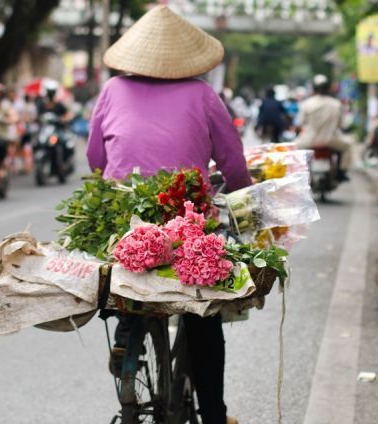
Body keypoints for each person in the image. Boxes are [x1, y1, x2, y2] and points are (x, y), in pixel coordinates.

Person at [86, 6, 251, 424]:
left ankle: (127, 332)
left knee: (129, 263)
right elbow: (232, 163)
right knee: (202, 313)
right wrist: (245, 199)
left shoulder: (111, 90)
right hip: (187, 216)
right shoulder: (202, 94)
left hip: (124, 212)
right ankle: (214, 414)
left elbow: (95, 159)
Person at [296, 75, 352, 181]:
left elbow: (300, 123)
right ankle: (341, 173)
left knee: (293, 148)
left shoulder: (307, 104)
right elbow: (342, 125)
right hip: (330, 140)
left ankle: (298, 173)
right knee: (348, 146)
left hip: (309, 141)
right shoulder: (336, 104)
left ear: (313, 88)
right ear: (328, 88)